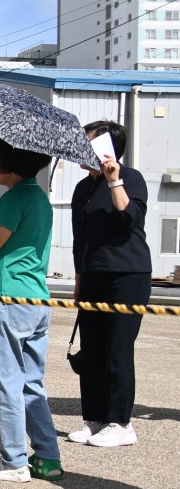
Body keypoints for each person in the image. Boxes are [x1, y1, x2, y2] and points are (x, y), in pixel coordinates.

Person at [0, 139, 59, 482]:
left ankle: (13, 460)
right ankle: (47, 456)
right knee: (32, 383)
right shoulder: (40, 198)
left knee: (5, 383)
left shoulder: (14, 199)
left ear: (8, 161)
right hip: (36, 299)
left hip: (7, 299)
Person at [69, 120, 150, 448]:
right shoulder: (82, 188)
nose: (80, 149)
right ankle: (95, 418)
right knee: (92, 349)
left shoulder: (131, 177)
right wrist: (78, 279)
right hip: (92, 274)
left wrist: (114, 180)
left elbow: (129, 219)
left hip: (126, 274)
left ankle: (121, 422)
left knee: (117, 348)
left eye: (87, 143)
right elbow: (80, 239)